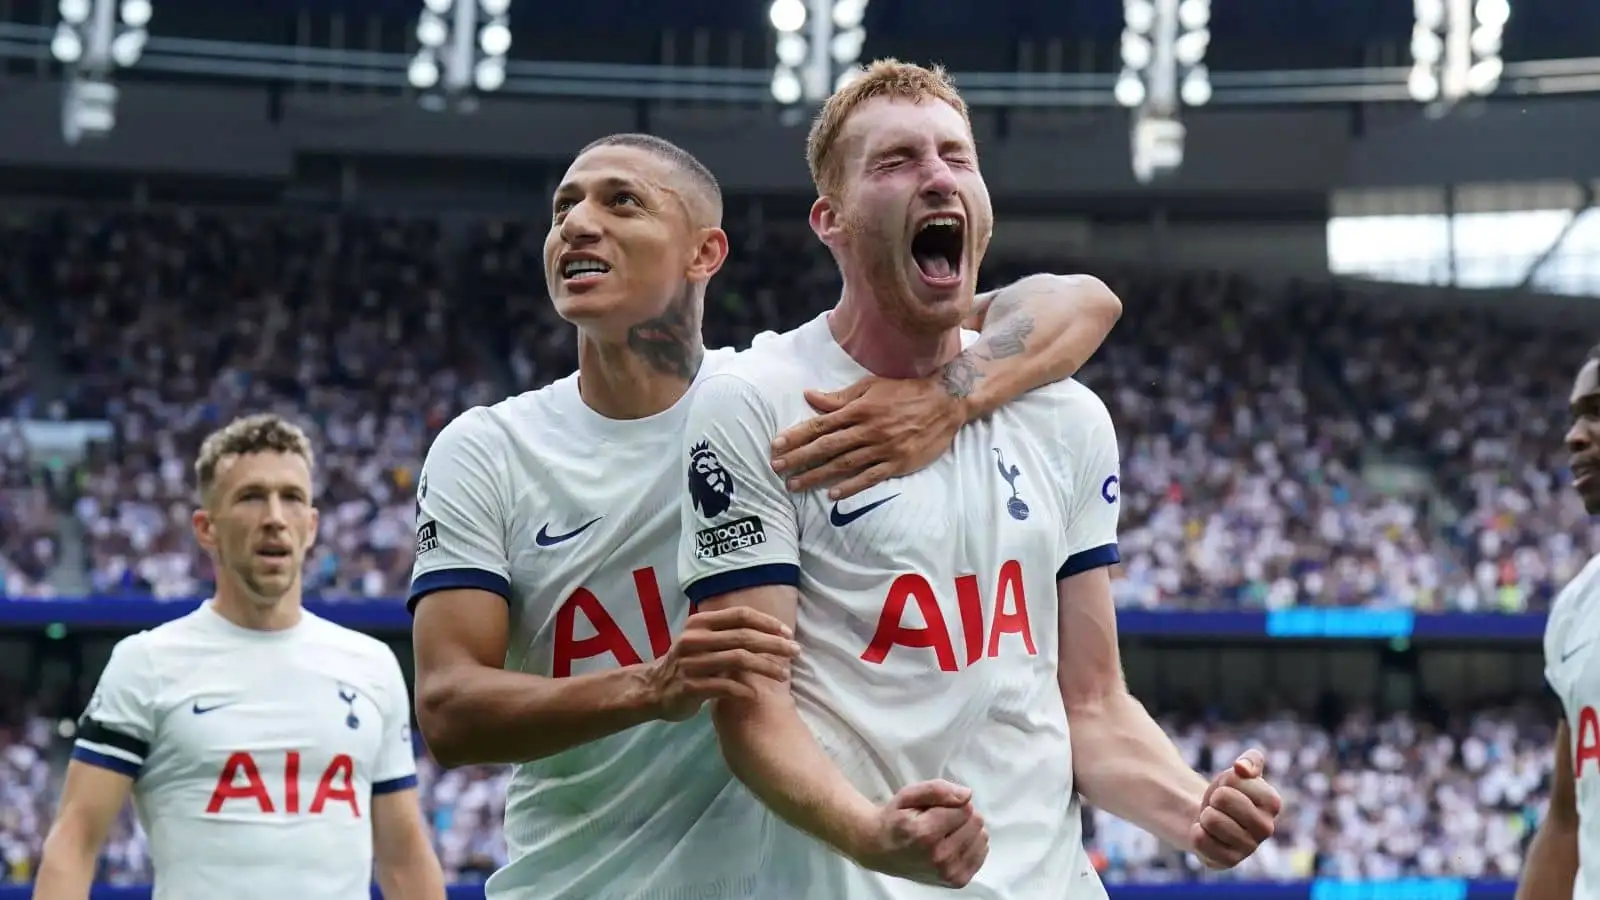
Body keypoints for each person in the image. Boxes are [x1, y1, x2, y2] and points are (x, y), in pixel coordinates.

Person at [408, 132, 1124, 900]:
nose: (578, 224)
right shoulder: (488, 450)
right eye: (563, 208)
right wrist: (653, 684)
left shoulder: (778, 400)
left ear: (704, 253)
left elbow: (1078, 300)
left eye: (622, 202)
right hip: (579, 882)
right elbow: (450, 708)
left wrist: (946, 395)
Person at [675, 59, 1283, 899]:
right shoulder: (756, 404)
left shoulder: (1068, 419)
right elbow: (749, 707)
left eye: (956, 158)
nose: (936, 178)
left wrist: (1192, 810)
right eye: (895, 162)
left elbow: (1094, 706)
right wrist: (872, 835)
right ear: (833, 219)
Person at [35, 414, 444, 900]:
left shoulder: (371, 667)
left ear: (311, 526)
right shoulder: (146, 664)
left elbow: (403, 858)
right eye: (251, 497)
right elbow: (74, 843)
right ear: (206, 528)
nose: (274, 517)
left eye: (291, 497)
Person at [1517, 345, 1600, 900]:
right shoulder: (1576, 610)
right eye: (1575, 416)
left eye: (1597, 412)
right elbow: (1567, 819)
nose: (1574, 436)